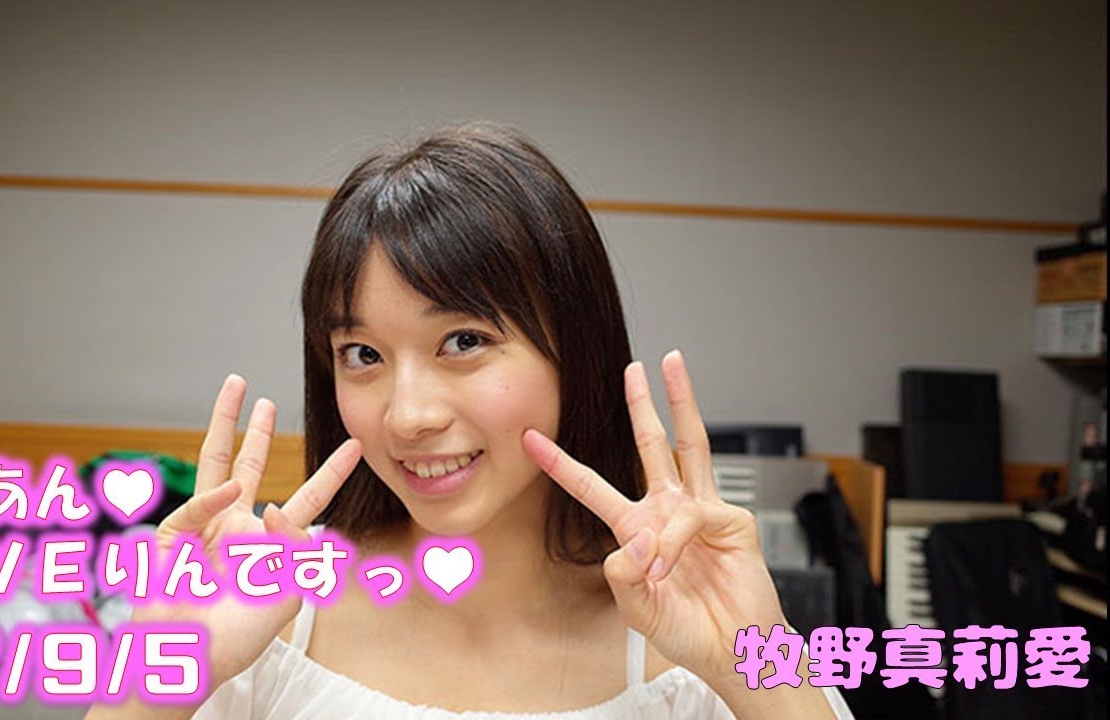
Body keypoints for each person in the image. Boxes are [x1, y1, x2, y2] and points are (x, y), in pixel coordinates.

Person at [87, 122, 854, 719]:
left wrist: (761, 670)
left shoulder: (688, 649)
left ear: (576, 350)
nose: (408, 416)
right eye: (362, 354)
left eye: (463, 341)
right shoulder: (264, 620)